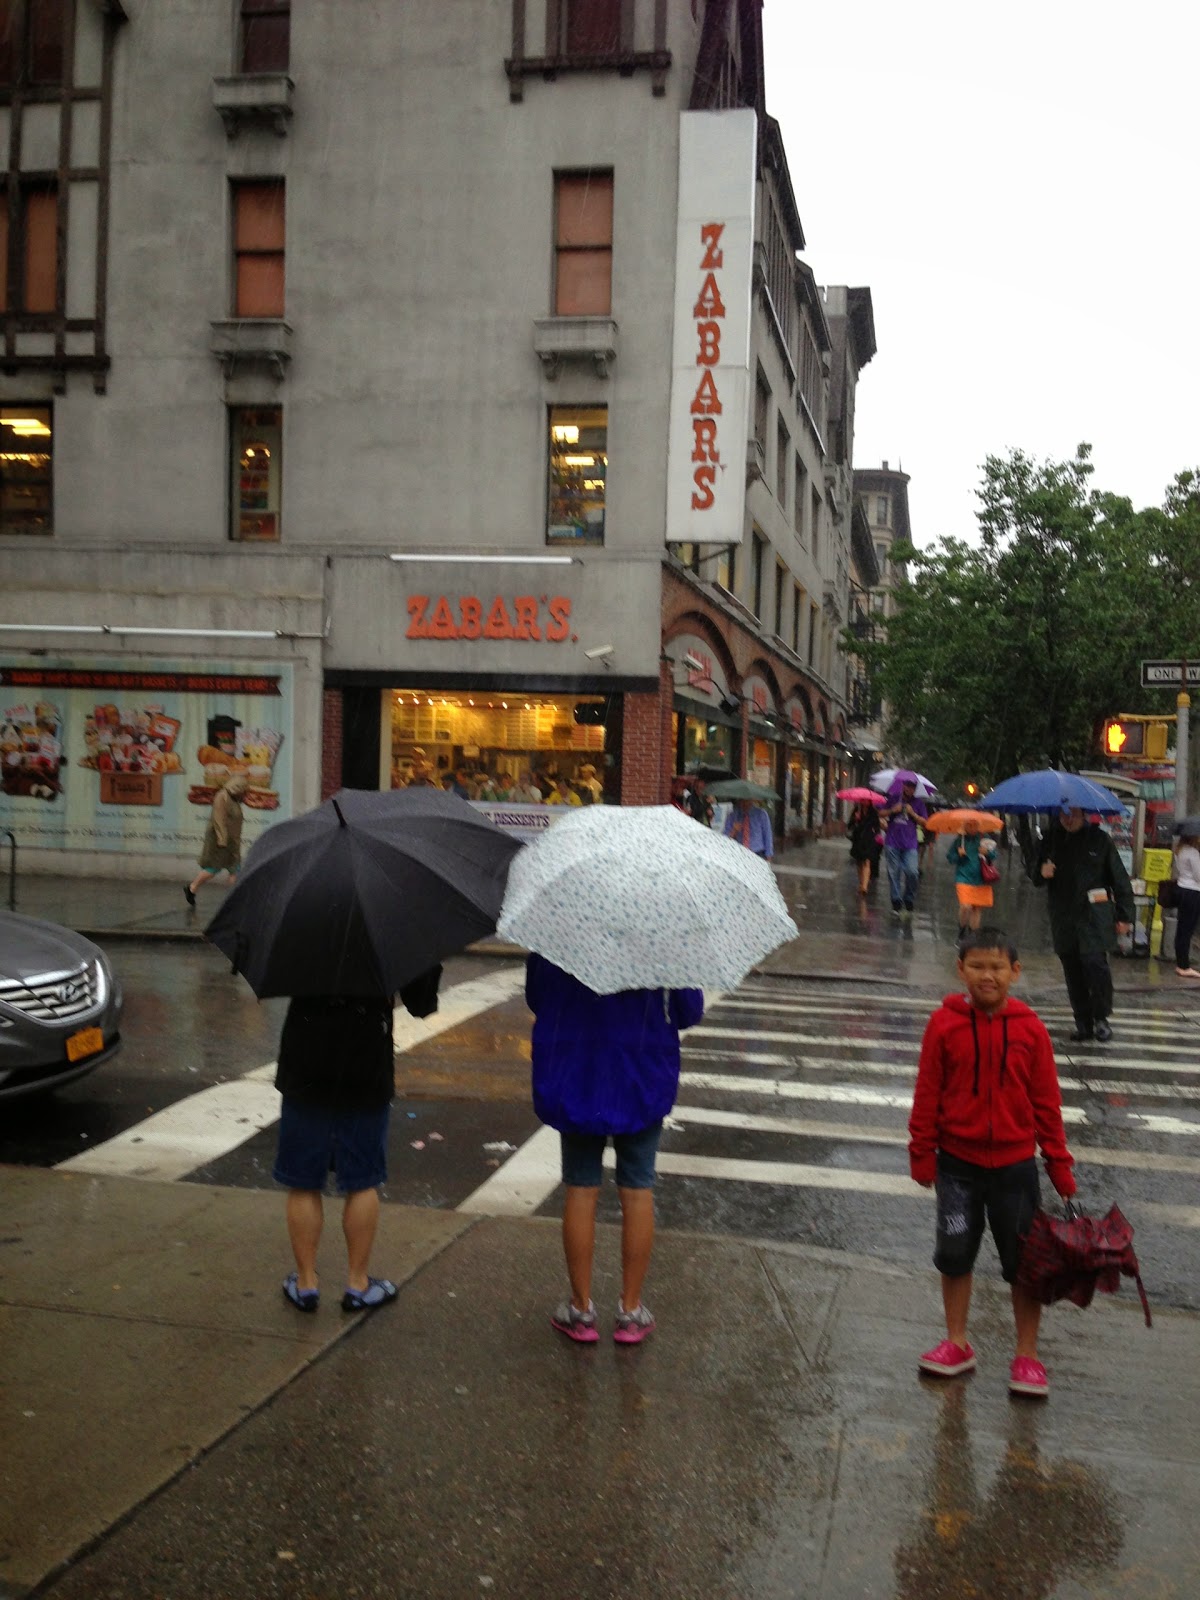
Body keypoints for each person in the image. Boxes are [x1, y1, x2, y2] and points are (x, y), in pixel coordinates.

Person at [908, 926, 1077, 1399]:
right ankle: (957, 1342)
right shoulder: (942, 1025)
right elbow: (928, 1092)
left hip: (1015, 1169)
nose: (988, 976)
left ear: (1015, 972)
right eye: (977, 966)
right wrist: (921, 1150)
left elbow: (1047, 1103)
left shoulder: (1031, 1030)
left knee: (1025, 1264)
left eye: (997, 967)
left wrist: (1059, 1165)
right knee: (955, 1255)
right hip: (956, 1166)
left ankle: (1027, 1355)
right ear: (960, 970)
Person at [525, 953, 704, 1344]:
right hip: (642, 1071)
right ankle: (630, 1311)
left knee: (581, 1186)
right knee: (638, 1189)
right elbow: (689, 1010)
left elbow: (537, 996)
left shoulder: (559, 924)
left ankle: (580, 1309)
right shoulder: (663, 931)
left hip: (579, 1072)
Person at [274, 966, 441, 1314]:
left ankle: (306, 1284)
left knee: (304, 1182)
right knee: (362, 1181)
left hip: (305, 1062)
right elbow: (421, 1002)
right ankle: (357, 1283)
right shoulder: (392, 927)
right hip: (365, 1064)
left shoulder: (305, 919)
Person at [1033, 806, 1134, 1043]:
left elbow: (1120, 880)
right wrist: (1041, 871)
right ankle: (1083, 1023)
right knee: (1073, 969)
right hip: (1063, 917)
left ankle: (1101, 1019)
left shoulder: (1100, 840)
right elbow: (1034, 874)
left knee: (1095, 964)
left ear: (1084, 814)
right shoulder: (1050, 840)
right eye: (1064, 815)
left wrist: (1124, 916)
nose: (1068, 820)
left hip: (1094, 916)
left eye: (1073, 814)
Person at [184, 771, 248, 906]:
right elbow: (218, 819)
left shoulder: (233, 799)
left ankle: (235, 899)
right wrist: (222, 840)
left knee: (234, 869)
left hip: (232, 840)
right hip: (221, 841)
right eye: (243, 790)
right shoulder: (222, 797)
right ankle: (192, 888)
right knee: (212, 869)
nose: (244, 793)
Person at [881, 777, 928, 916]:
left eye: (913, 787)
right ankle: (896, 901)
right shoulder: (893, 798)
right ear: (903, 786)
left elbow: (925, 822)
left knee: (912, 872)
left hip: (910, 844)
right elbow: (880, 812)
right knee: (893, 872)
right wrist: (892, 811)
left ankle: (909, 898)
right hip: (892, 841)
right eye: (908, 786)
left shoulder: (918, 803)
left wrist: (913, 813)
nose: (910, 789)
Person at [947, 831, 999, 938]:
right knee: (966, 906)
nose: (971, 826)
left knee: (976, 909)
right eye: (969, 824)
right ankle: (961, 932)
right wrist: (959, 855)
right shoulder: (959, 840)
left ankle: (972, 936)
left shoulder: (984, 837)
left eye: (974, 824)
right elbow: (950, 857)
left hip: (981, 879)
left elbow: (994, 854)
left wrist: (987, 852)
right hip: (963, 878)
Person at [1171, 827, 1200, 977]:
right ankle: (1184, 966)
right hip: (1193, 891)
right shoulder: (1193, 853)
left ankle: (1181, 962)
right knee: (1187, 930)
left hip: (1182, 889)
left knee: (1182, 928)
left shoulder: (1179, 850)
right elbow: (1198, 876)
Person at [846, 800, 882, 895]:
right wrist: (855, 819)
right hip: (858, 840)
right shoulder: (856, 810)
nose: (865, 802)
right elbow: (849, 825)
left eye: (867, 801)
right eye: (863, 800)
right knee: (859, 862)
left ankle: (864, 886)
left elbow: (877, 826)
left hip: (869, 840)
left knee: (866, 861)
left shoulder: (873, 813)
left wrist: (876, 833)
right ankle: (861, 882)